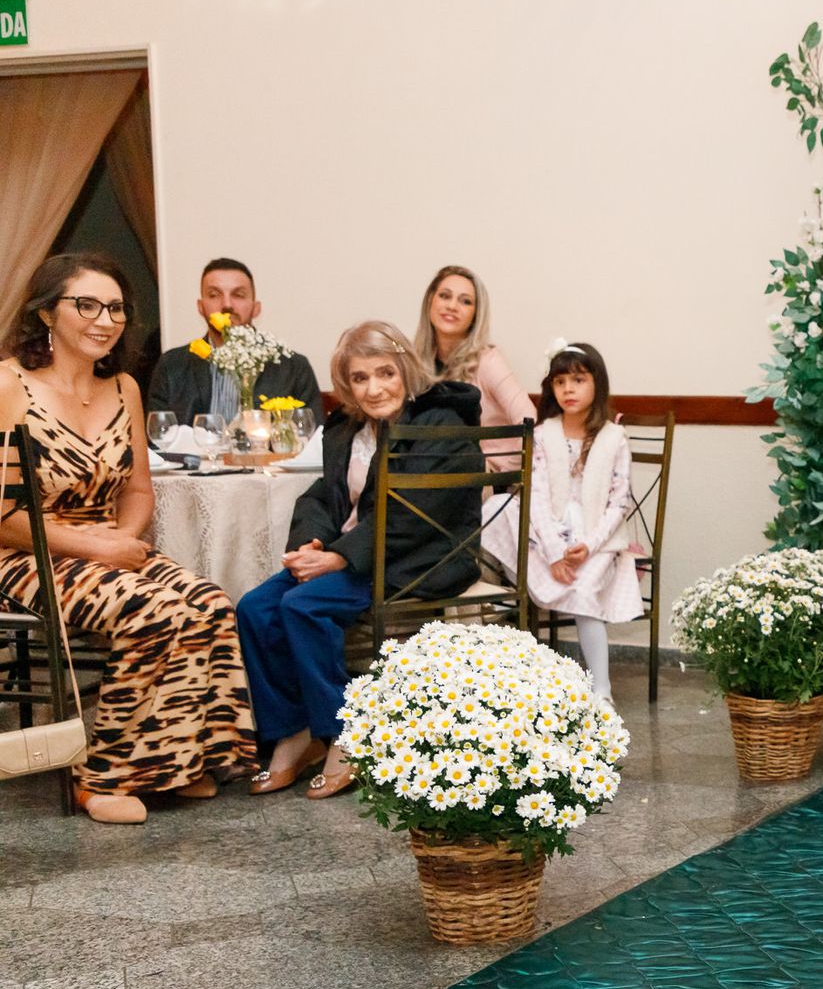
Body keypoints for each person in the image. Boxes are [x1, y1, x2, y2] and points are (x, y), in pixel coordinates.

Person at [0, 253, 253, 823]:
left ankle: (175, 764)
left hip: (109, 544)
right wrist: (99, 548)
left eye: (115, 308)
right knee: (153, 610)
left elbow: (138, 491)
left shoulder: (123, 388)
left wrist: (122, 540)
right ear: (46, 313)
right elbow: (3, 517)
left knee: (210, 604)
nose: (105, 320)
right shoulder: (7, 384)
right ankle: (100, 778)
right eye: (87, 305)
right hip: (25, 553)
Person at [237, 321, 483, 800]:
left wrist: (339, 558)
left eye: (385, 373)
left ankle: (346, 734)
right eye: (360, 378)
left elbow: (415, 515)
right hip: (357, 553)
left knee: (303, 605)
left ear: (405, 370)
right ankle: (294, 731)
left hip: (417, 558)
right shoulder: (347, 428)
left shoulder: (440, 424)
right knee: (255, 607)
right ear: (347, 386)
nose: (374, 388)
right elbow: (322, 496)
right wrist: (312, 543)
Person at [481, 342, 640, 701]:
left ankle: (601, 689)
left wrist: (589, 546)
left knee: (583, 592)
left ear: (597, 383)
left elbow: (619, 502)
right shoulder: (543, 434)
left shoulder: (613, 437)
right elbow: (535, 496)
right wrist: (554, 551)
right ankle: (520, 597)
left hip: (597, 539)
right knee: (498, 508)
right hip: (549, 535)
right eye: (560, 382)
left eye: (578, 380)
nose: (568, 389)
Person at [146, 258, 320, 423]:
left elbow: (311, 434)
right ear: (200, 307)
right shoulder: (172, 366)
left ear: (256, 308)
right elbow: (158, 433)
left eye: (238, 295)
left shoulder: (293, 368)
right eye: (214, 295)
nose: (227, 304)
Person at [413, 265, 535, 471]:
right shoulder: (414, 363)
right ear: (430, 302)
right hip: (427, 473)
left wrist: (501, 472)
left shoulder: (489, 361)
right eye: (445, 296)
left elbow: (531, 421)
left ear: (475, 315)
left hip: (478, 478)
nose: (452, 306)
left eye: (465, 301)